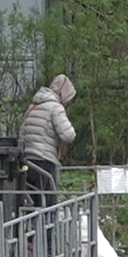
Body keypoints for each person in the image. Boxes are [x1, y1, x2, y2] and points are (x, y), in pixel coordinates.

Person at [19, 73, 76, 209]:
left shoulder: (32, 107)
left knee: (32, 204)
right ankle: (47, 230)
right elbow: (68, 135)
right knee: (48, 205)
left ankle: (31, 229)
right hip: (45, 161)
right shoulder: (55, 108)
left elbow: (21, 134)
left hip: (28, 161)